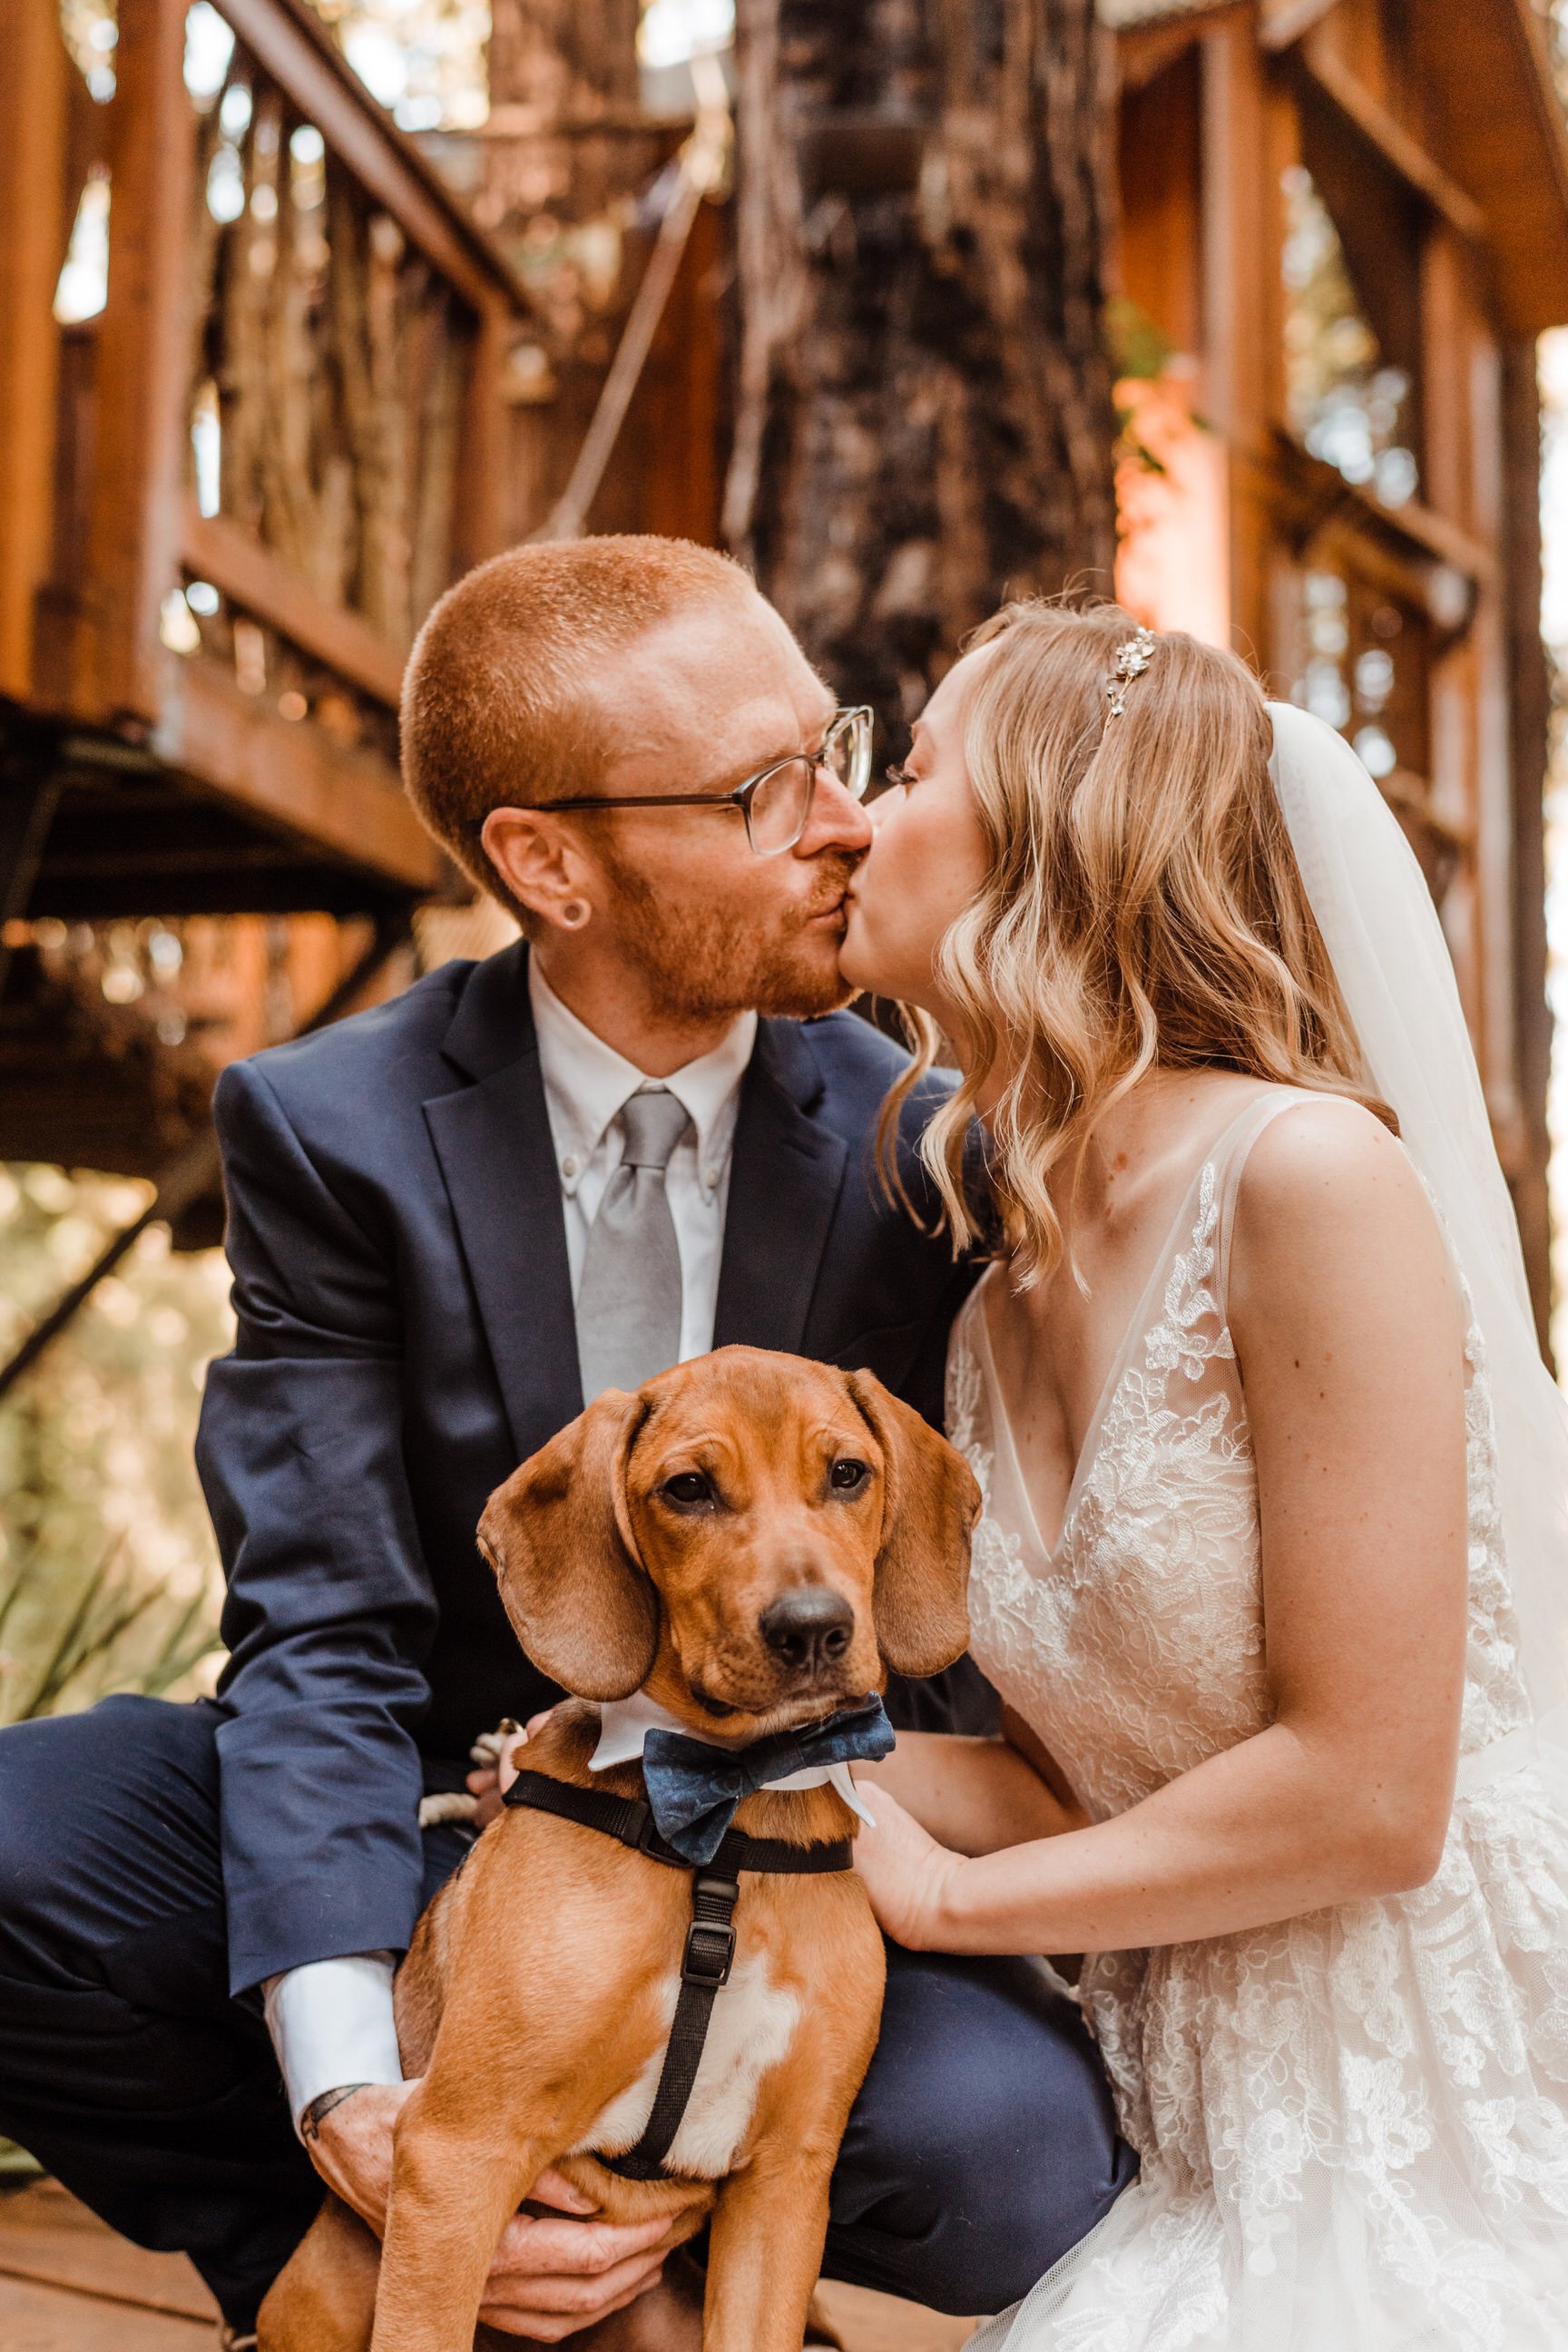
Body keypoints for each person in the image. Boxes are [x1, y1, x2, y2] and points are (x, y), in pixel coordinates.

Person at [0, 540, 1132, 2348]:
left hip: (791, 1822)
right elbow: (323, 1620)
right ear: (549, 861)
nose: (840, 822)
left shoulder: (926, 1133)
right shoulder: (331, 1126)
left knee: (1016, 2163)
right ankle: (334, 2260)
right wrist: (358, 2107)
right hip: (449, 1810)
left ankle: (647, 2272)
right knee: (14, 1842)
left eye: (834, 752)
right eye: (766, 791)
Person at [836, 598, 1568, 2348]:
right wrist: (742, 1772)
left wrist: (943, 1899)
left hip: (1444, 2083)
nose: (856, 817)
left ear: (1055, 830)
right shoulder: (995, 1284)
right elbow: (1099, 1776)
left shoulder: (1306, 1180)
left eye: (914, 768)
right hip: (1211, 2105)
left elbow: (1371, 1797)